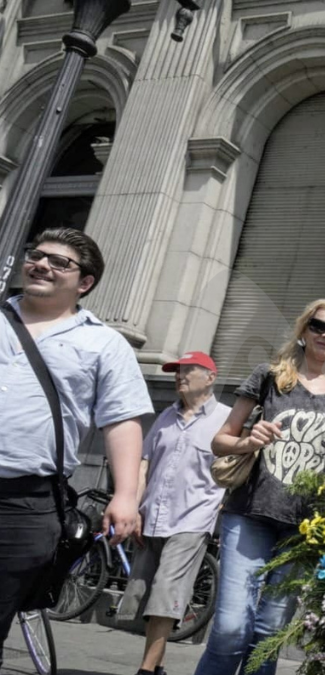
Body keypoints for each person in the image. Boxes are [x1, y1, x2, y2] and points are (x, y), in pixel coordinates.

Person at [0, 227, 153, 670]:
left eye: (59, 262)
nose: (41, 264)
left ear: (84, 282)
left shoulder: (104, 343)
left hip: (25, 503)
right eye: (37, 255)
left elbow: (122, 420)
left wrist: (126, 495)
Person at [193, 299, 325, 675]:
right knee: (230, 629)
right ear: (304, 329)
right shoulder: (269, 377)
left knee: (269, 633)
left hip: (307, 529)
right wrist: (248, 441)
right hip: (250, 514)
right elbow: (220, 441)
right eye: (319, 326)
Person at [115, 351, 230, 675]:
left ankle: (145, 670)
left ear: (210, 377)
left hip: (192, 519)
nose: (179, 376)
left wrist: (224, 505)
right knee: (145, 594)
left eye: (187, 370)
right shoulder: (166, 416)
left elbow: (237, 469)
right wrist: (134, 507)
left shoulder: (226, 419)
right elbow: (144, 463)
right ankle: (159, 666)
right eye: (176, 371)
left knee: (167, 592)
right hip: (153, 516)